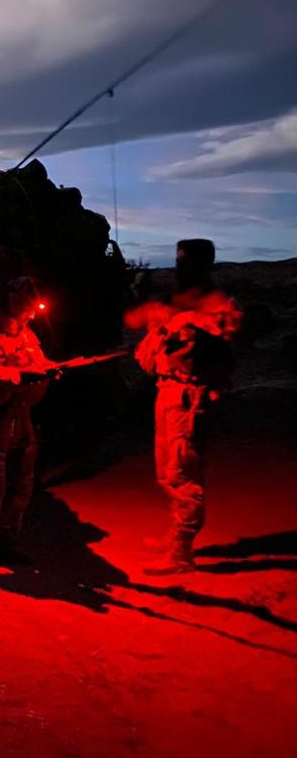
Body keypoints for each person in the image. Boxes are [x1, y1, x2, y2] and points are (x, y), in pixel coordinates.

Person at [125, 239, 242, 575]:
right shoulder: (177, 302)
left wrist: (183, 321)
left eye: (187, 263)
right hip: (168, 392)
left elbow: (227, 325)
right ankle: (176, 534)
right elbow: (135, 319)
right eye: (179, 263)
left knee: (182, 471)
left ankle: (181, 551)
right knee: (167, 471)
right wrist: (147, 304)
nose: (180, 270)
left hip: (190, 398)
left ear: (204, 265)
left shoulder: (216, 304)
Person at [0, 276, 58, 575]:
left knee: (22, 482)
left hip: (22, 418)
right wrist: (20, 377)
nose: (30, 314)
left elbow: (38, 361)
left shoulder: (25, 334)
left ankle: (7, 541)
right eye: (26, 307)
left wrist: (49, 371)